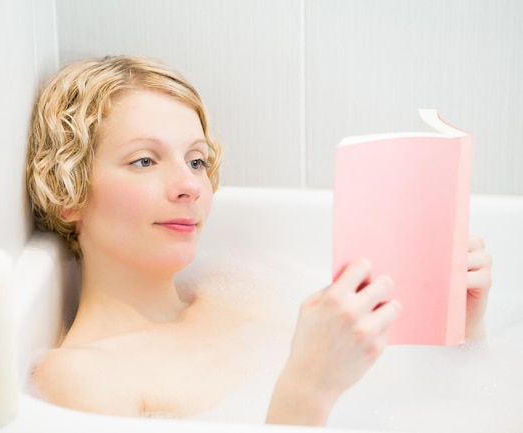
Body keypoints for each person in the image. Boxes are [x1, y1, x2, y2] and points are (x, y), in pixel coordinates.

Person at [25, 55, 492, 426]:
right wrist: (306, 391)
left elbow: (438, 404)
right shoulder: (81, 377)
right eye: (145, 161)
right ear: (69, 192)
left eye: (196, 161)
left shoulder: (240, 293)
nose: (189, 185)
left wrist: (459, 332)